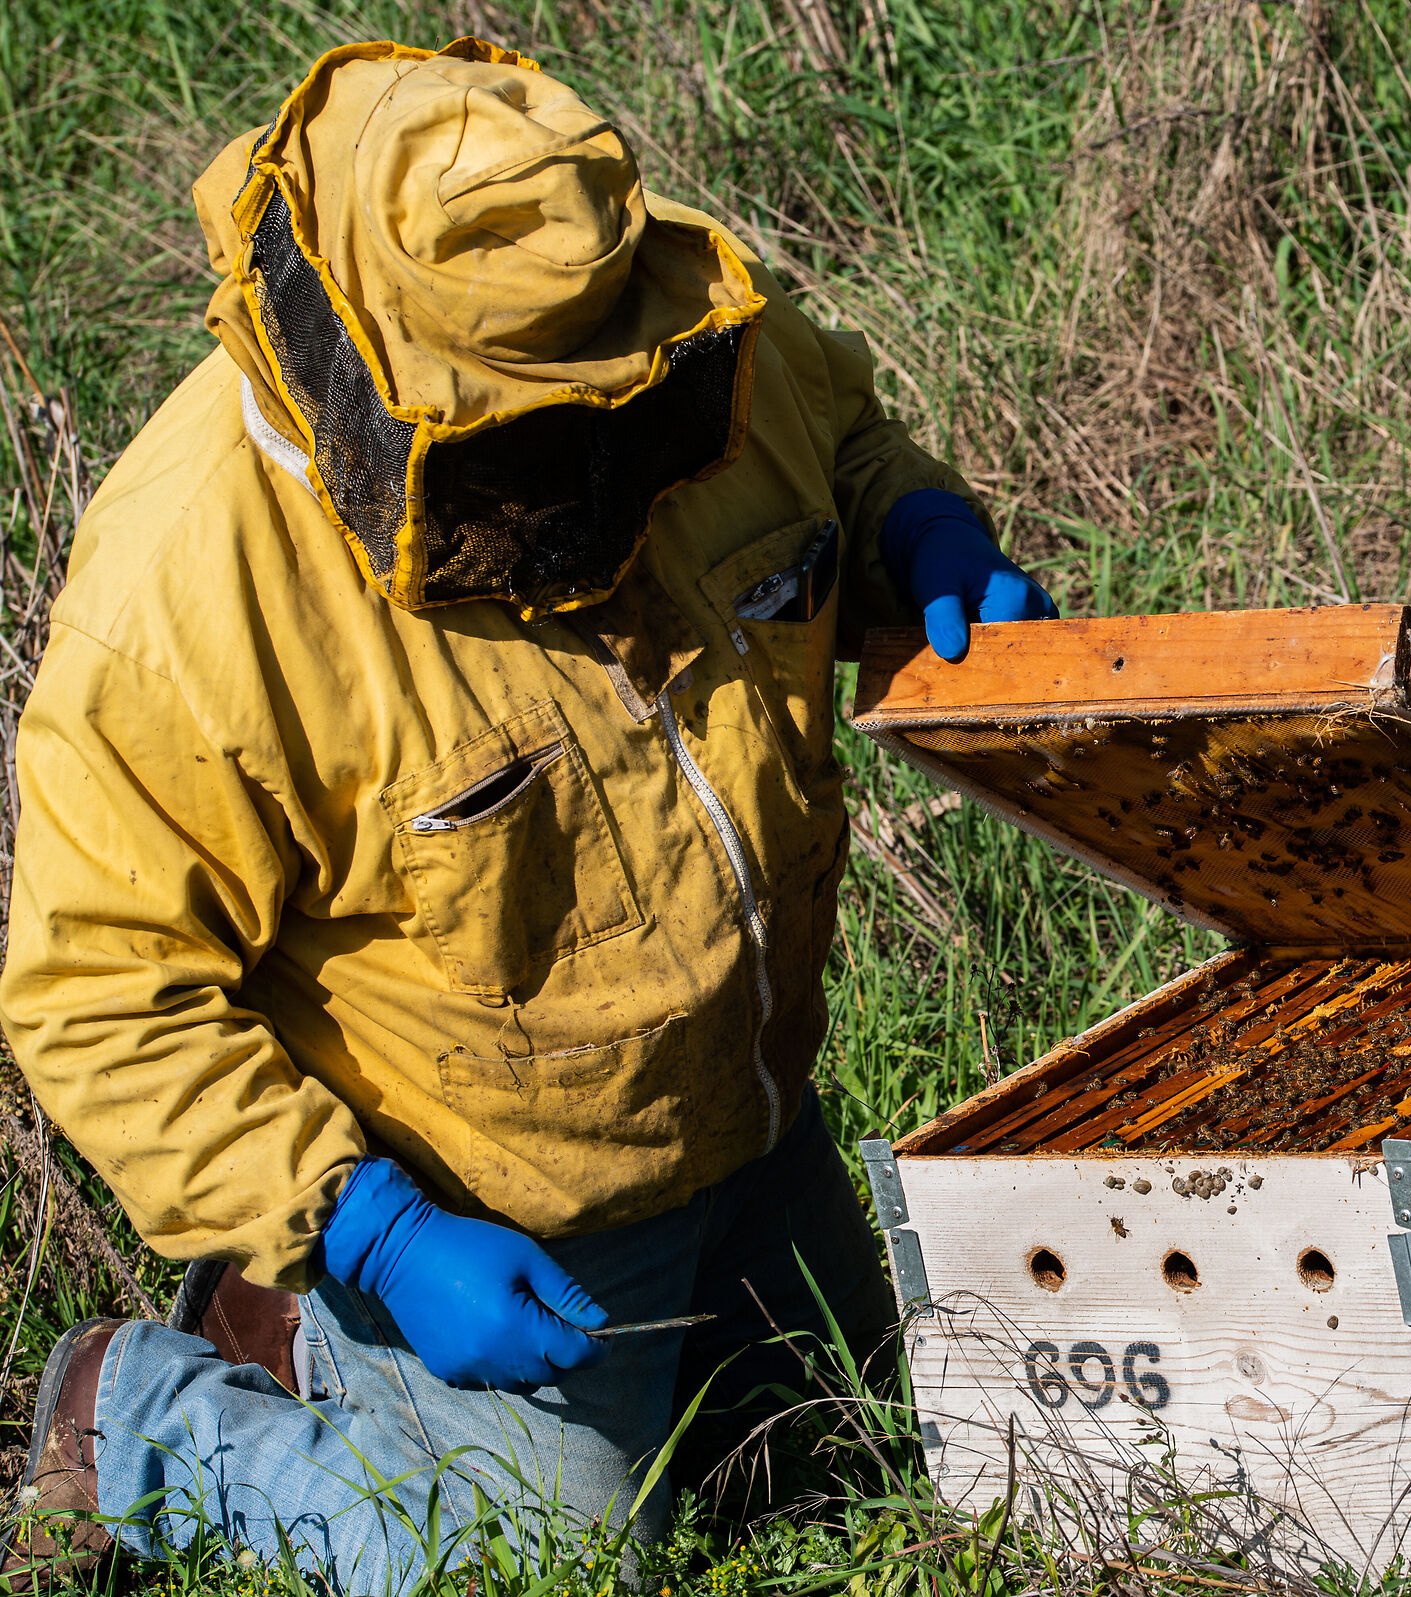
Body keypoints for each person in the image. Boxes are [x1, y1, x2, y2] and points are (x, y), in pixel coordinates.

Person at [0, 37, 1053, 1591]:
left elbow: (828, 432)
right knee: (538, 1570)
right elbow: (99, 993)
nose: (610, 466)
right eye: (542, 433)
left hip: (751, 1116)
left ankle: (314, 1337)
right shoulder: (183, 600)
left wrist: (911, 518)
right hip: (483, 1202)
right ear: (381, 390)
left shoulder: (645, 313)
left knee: (869, 1461)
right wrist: (369, 1230)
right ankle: (150, 1411)